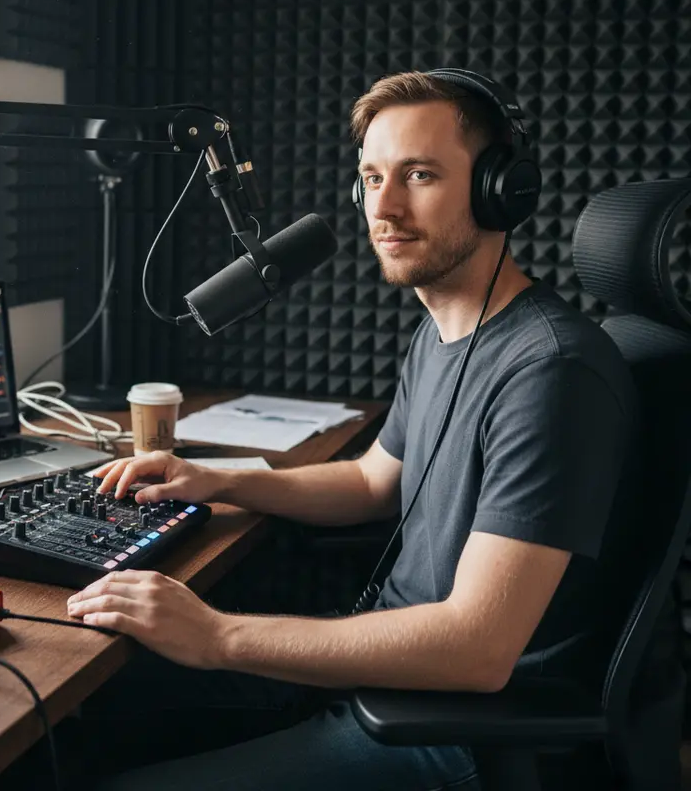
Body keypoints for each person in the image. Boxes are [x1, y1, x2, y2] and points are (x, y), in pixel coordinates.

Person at [60, 71, 637, 791]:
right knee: (80, 721)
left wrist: (217, 636)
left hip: (453, 734)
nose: (383, 207)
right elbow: (374, 480)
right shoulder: (446, 332)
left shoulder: (552, 371)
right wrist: (221, 478)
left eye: (419, 175)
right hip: (379, 675)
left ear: (501, 189)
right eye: (371, 177)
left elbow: (477, 648)